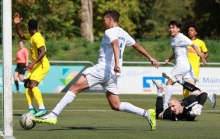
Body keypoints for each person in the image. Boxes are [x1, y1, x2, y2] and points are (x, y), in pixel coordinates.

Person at [34, 9, 159, 131]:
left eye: (104, 20)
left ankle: (53, 115)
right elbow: (136, 45)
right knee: (116, 105)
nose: (103, 22)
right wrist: (150, 57)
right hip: (113, 74)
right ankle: (147, 113)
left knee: (74, 88)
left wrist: (116, 62)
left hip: (103, 69)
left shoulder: (109, 32)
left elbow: (115, 44)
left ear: (110, 20)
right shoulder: (124, 33)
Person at [13, 13, 50, 117]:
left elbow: (43, 52)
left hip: (42, 65)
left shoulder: (37, 37)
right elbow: (21, 35)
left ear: (28, 27)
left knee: (32, 84)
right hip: (36, 65)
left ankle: (42, 109)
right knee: (27, 85)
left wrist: (31, 64)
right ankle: (31, 109)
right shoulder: (33, 36)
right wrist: (17, 25)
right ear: (36, 27)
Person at [162, 20, 204, 110]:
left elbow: (193, 44)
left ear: (178, 29)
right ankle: (207, 95)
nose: (171, 29)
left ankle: (165, 106)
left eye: (173, 27)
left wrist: (198, 53)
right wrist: (169, 59)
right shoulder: (172, 40)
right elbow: (176, 53)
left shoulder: (182, 37)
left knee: (169, 82)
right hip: (185, 66)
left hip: (181, 65)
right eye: (170, 27)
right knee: (192, 86)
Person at [183, 24, 216, 108]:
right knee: (186, 89)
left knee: (191, 86)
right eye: (189, 30)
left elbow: (206, 53)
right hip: (184, 67)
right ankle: (189, 103)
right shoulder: (185, 41)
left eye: (192, 30)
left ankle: (207, 95)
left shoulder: (200, 42)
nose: (190, 32)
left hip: (194, 68)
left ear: (196, 32)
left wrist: (203, 58)